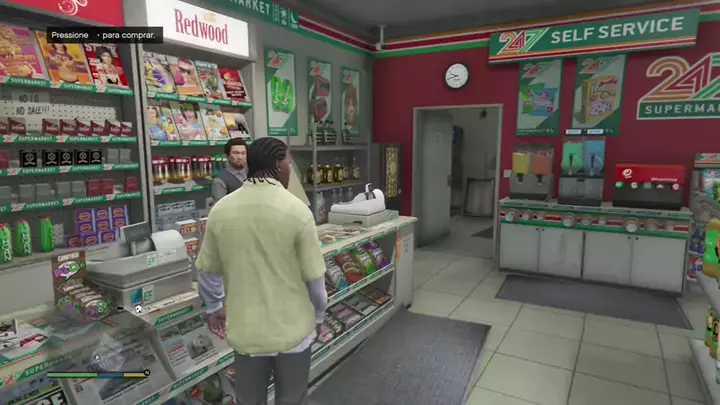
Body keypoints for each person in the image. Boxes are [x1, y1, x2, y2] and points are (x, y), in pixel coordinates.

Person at [196, 137, 327, 405]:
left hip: (247, 333)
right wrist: (319, 315)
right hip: (293, 332)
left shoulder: (220, 211)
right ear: (278, 165)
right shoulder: (298, 212)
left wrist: (214, 307)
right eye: (289, 163)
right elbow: (315, 281)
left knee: (249, 399)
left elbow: (207, 271)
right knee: (292, 398)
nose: (290, 169)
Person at [211, 138, 248, 202]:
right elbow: (219, 206)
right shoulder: (220, 180)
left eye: (243, 153)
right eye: (236, 153)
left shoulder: (254, 174)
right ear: (227, 156)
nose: (240, 157)